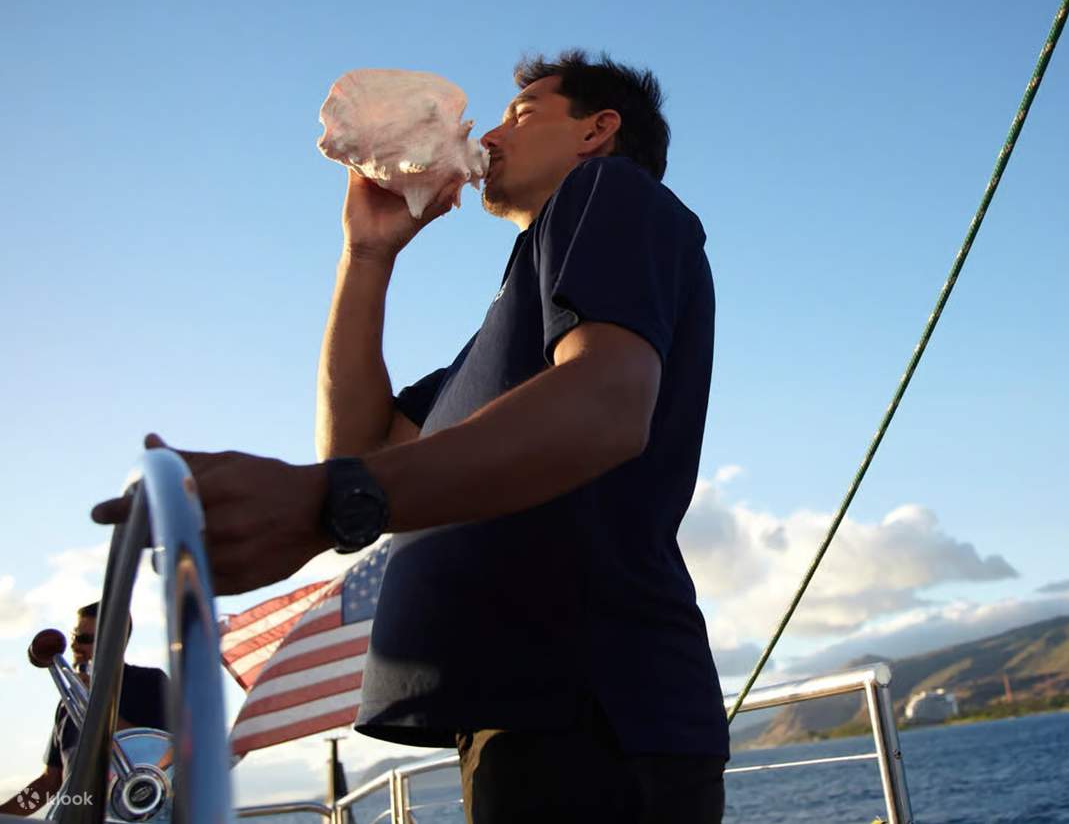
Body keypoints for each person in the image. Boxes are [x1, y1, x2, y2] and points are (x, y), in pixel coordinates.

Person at [93, 50, 729, 822]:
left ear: (598, 131)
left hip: (591, 707)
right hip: (528, 715)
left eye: (521, 114)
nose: (491, 134)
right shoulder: (501, 338)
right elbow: (360, 446)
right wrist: (367, 254)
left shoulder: (608, 190)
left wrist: (331, 500)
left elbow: (606, 401)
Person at [0, 602, 169, 817]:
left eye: (85, 639)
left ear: (114, 644)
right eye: (73, 637)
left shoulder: (150, 684)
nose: (74, 646)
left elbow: (169, 753)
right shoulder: (67, 704)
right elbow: (49, 783)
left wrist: (96, 704)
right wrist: (4, 815)